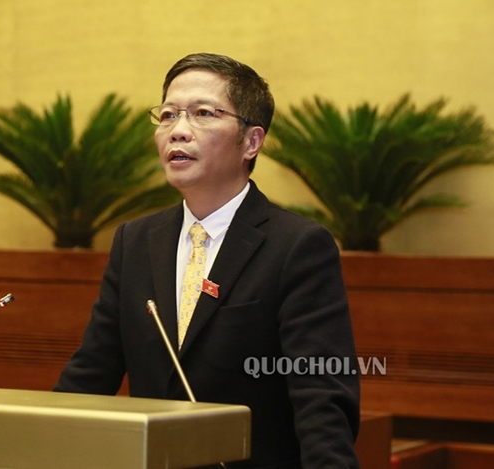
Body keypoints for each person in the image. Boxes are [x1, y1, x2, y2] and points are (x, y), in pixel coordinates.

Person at [54, 52, 360, 469]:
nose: (178, 131)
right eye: (167, 115)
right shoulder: (135, 241)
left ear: (251, 142)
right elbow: (91, 372)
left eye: (202, 113)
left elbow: (321, 396)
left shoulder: (297, 246)